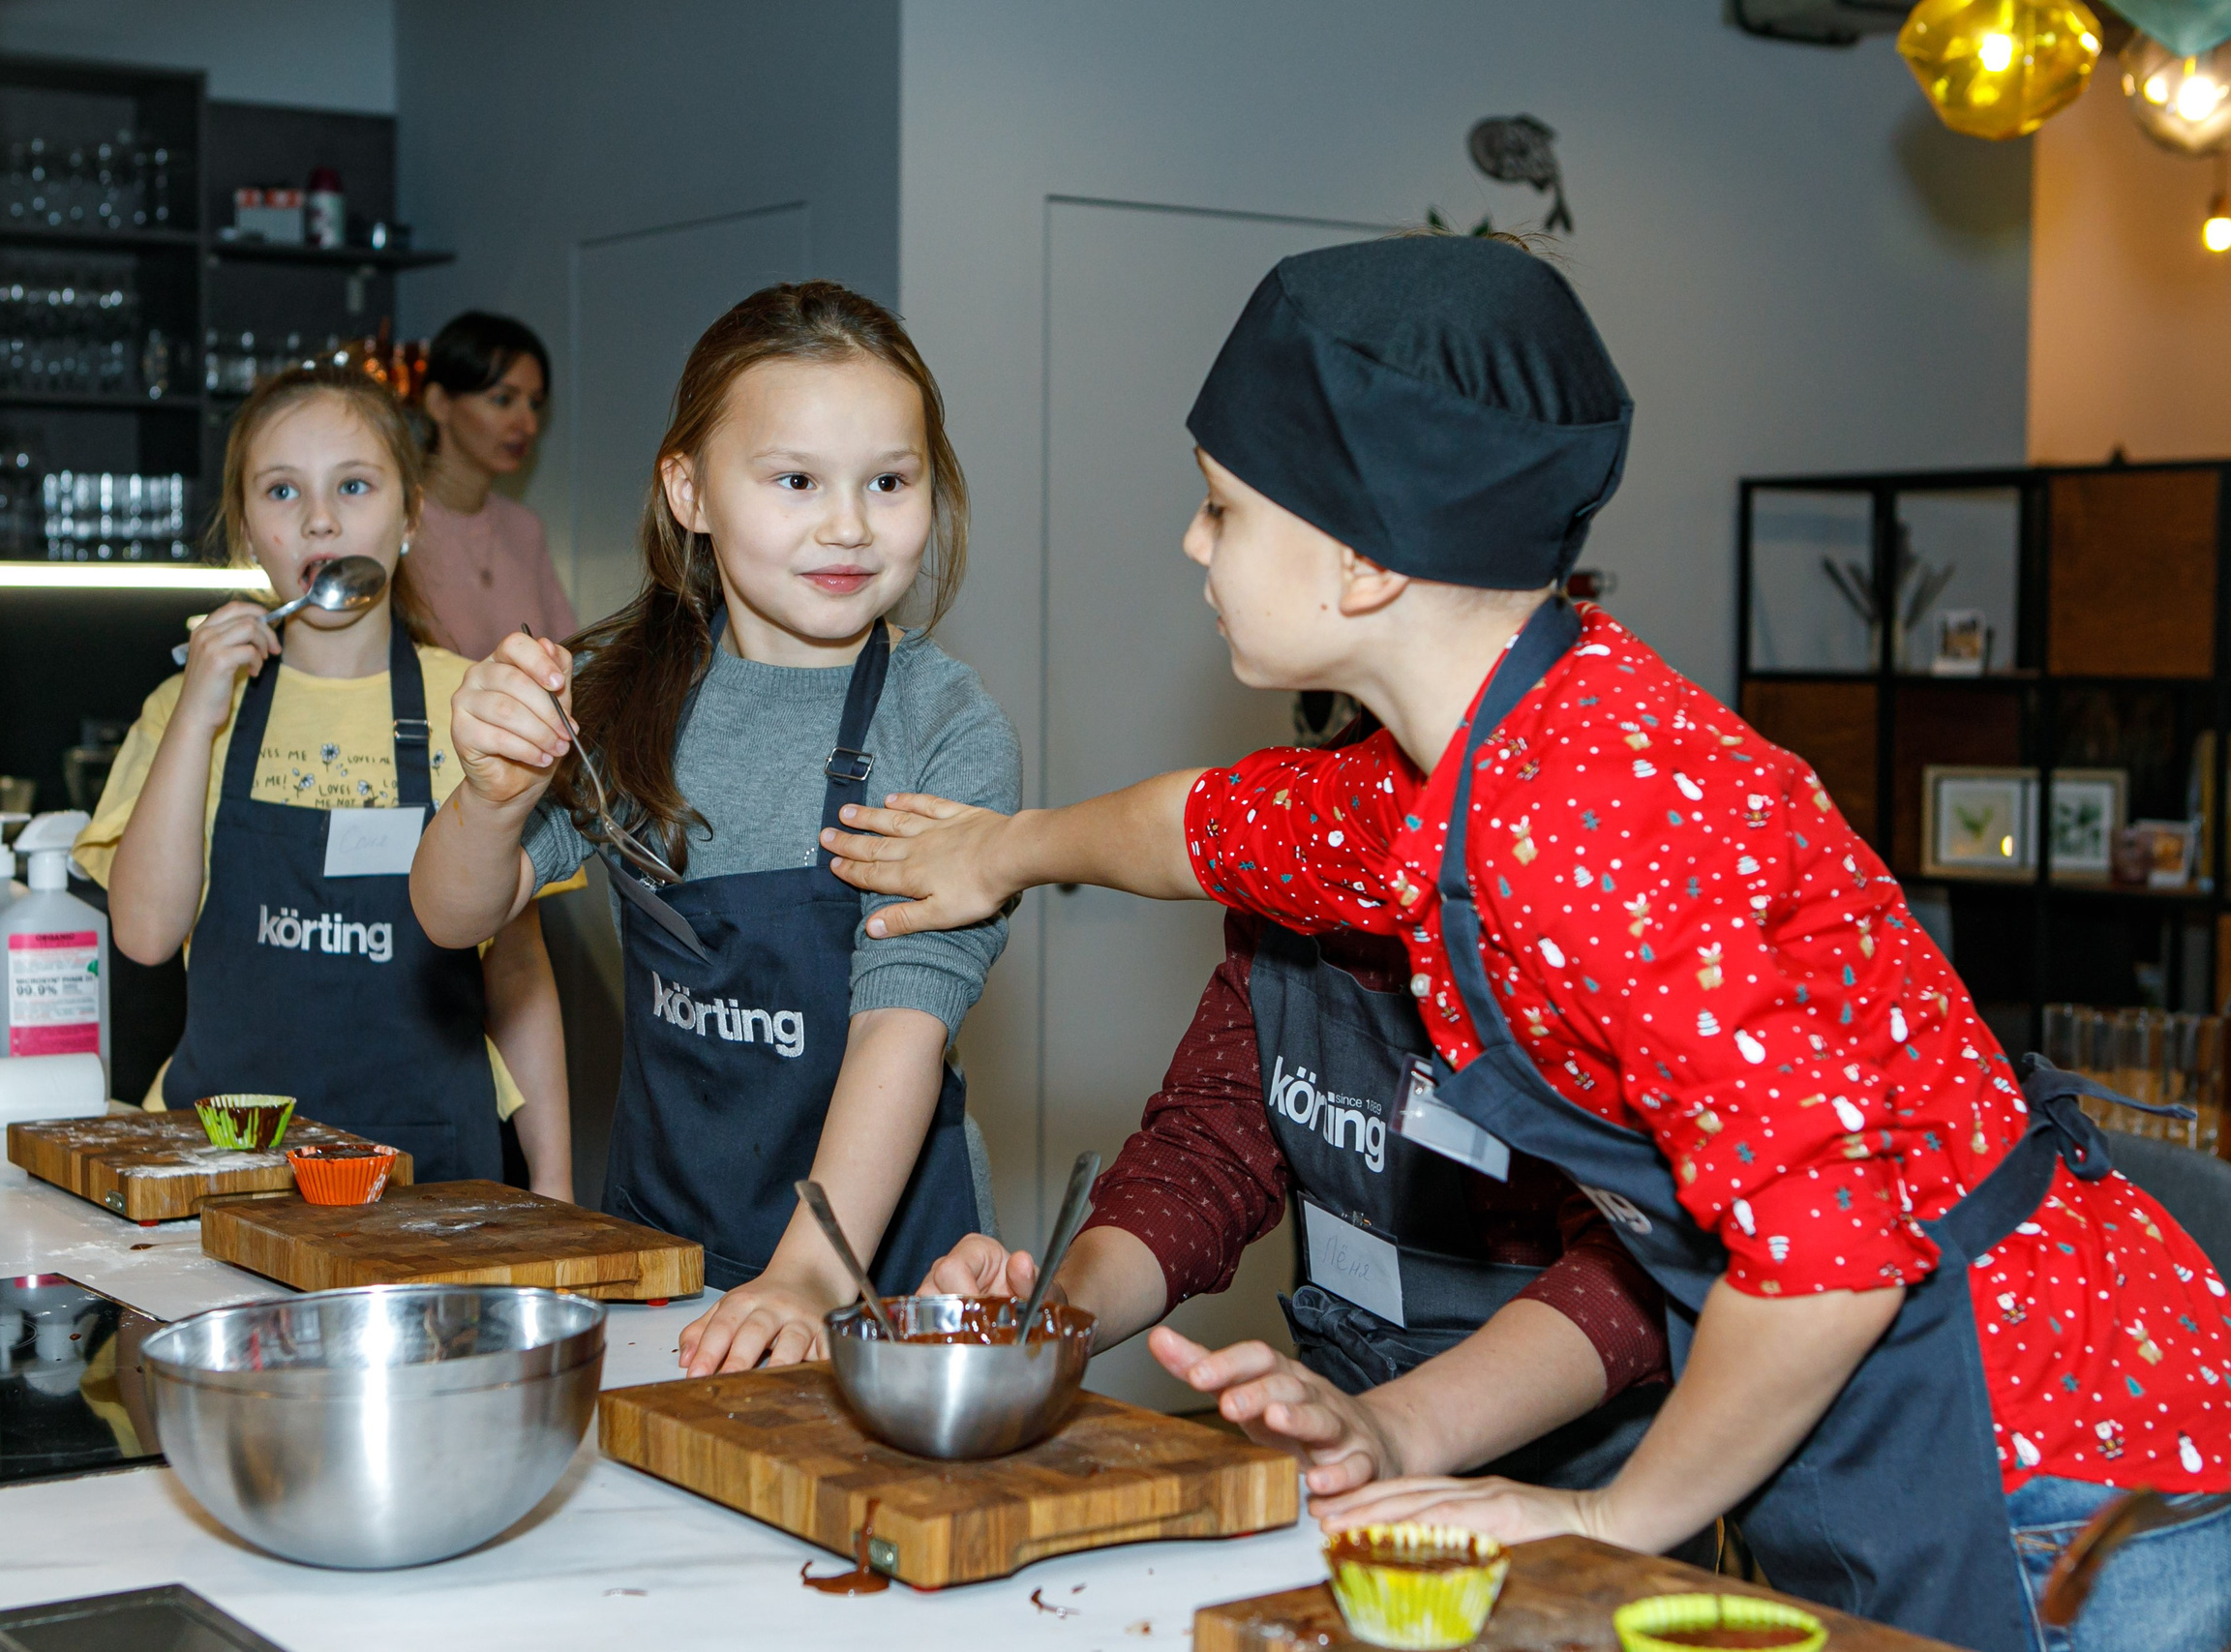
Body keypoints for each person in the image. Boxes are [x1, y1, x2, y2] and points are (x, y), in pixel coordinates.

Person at [821, 234, 2231, 1652]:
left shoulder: (1586, 823)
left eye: (1222, 508)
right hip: (1920, 1424)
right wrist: (998, 850)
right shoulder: (1474, 758)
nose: (1194, 542)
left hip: (2059, 1462)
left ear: (1364, 561)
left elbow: (1834, 1259)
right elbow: (1204, 828)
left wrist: (1603, 1519)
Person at [410, 281, 1019, 1375]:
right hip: (661, 1248)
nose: (847, 524)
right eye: (795, 481)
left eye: (890, 481)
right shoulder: (621, 693)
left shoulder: (946, 727)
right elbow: (455, 915)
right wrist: (489, 797)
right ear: (688, 491)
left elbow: (900, 1029)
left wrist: (808, 1275)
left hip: (885, 1272)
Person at [923, 887, 1681, 1512]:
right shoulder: (1295, 836)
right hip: (1338, 1432)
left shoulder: (1586, 875)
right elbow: (1205, 1155)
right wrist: (1051, 1314)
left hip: (1570, 1476)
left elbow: (1640, 1262)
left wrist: (1398, 1426)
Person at [75, 365, 572, 1195]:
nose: (318, 518)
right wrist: (199, 711)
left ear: (410, 513)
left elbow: (518, 975)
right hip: (218, 1168)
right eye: (280, 492)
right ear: (244, 527)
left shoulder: (475, 704)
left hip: (426, 1179)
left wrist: (556, 1188)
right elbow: (146, 935)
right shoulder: (190, 709)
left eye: (353, 485)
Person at [413, 312, 577, 659]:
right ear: (439, 404)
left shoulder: (524, 528)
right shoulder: (395, 525)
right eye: (503, 400)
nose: (528, 424)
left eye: (535, 404)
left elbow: (572, 658)